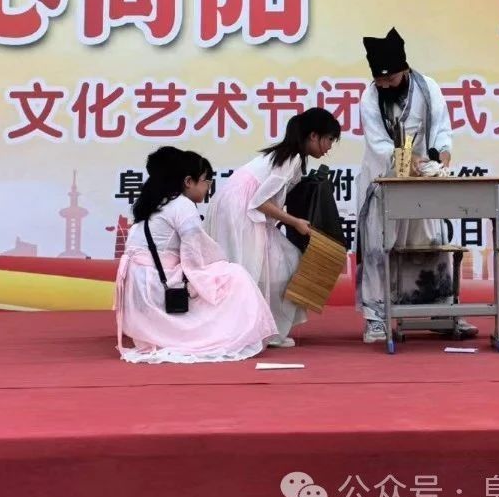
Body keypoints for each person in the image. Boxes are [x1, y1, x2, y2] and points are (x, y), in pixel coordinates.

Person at [355, 27, 475, 343]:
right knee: (379, 246)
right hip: (383, 179)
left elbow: (442, 131)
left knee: (430, 243)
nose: (385, 85)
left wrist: (441, 157)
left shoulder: (428, 88)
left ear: (404, 70)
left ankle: (441, 312)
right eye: (380, 80)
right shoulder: (369, 97)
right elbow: (379, 144)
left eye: (391, 79)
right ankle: (376, 317)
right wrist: (408, 162)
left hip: (422, 180)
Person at [115, 146, 277, 364]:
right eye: (206, 181)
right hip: (155, 284)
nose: (208, 187)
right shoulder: (181, 205)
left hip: (140, 286)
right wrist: (219, 267)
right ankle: (228, 335)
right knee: (235, 275)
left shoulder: (154, 203)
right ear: (188, 181)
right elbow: (197, 254)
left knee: (220, 277)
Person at [206, 108, 341, 347]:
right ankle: (258, 332)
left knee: (277, 263)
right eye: (329, 139)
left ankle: (265, 329)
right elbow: (260, 201)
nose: (330, 147)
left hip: (236, 206)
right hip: (241, 211)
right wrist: (295, 222)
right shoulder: (292, 158)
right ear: (313, 136)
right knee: (253, 270)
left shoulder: (286, 156)